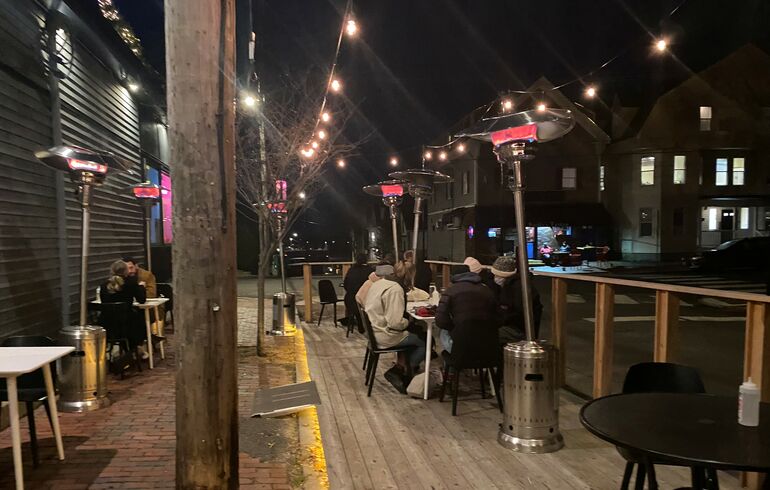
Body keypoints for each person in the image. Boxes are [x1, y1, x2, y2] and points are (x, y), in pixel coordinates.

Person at [364, 262, 426, 392]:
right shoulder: (395, 289)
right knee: (424, 341)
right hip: (386, 336)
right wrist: (408, 323)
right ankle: (402, 370)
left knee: (411, 334)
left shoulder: (378, 284)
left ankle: (400, 367)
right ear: (410, 277)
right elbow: (395, 323)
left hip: (374, 332)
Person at [435, 264, 498, 356]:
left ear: (453, 277)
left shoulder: (450, 291)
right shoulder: (487, 290)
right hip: (487, 344)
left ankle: (454, 355)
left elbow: (440, 321)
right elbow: (499, 316)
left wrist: (453, 327)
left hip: (461, 342)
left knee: (443, 332)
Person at [99, 260, 148, 356]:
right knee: (140, 317)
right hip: (127, 325)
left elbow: (104, 302)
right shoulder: (131, 283)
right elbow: (142, 300)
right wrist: (141, 287)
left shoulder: (104, 286)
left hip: (107, 325)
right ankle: (137, 348)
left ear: (112, 271)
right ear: (126, 271)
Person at [491, 255, 543, 344]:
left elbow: (514, 313)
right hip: (520, 328)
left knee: (487, 334)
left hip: (519, 330)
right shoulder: (513, 284)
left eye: (497, 275)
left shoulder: (516, 288)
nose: (495, 278)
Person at [343, 254, 373, 333]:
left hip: (349, 300)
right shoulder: (370, 271)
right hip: (363, 302)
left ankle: (360, 324)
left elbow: (345, 285)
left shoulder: (351, 270)